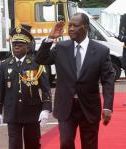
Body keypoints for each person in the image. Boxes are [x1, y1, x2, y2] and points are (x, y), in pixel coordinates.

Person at [35, 13, 115, 149]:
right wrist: (49, 39)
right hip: (66, 106)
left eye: (75, 26)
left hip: (89, 107)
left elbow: (108, 79)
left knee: (89, 144)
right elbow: (40, 59)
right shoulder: (61, 47)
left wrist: (107, 106)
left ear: (85, 27)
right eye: (69, 25)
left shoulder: (101, 51)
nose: (70, 28)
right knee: (65, 143)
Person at [0, 27, 52, 149]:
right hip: (12, 112)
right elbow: (0, 90)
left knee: (33, 144)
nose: (16, 46)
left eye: (20, 44)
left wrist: (46, 109)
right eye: (14, 44)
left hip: (32, 111)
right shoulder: (5, 65)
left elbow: (45, 88)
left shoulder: (36, 64)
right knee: (14, 145)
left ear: (27, 46)